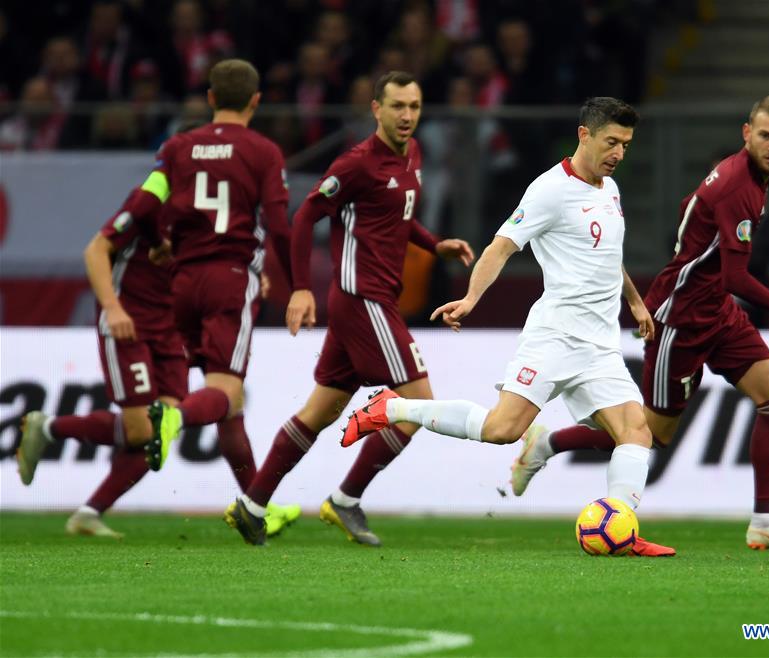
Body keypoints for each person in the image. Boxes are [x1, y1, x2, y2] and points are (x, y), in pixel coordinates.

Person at [341, 96, 672, 557]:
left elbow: (607, 258)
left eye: (626, 144)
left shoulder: (609, 189)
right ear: (585, 135)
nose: (618, 153)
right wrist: (471, 298)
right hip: (555, 336)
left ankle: (622, 530)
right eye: (611, 142)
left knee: (636, 431)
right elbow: (500, 247)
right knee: (502, 430)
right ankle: (395, 409)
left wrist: (635, 302)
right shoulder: (549, 191)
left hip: (600, 344)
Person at [508, 96, 769, 552]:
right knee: (649, 434)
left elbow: (690, 208)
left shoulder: (753, 177)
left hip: (718, 312)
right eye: (765, 135)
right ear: (747, 133)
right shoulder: (738, 185)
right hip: (680, 320)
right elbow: (736, 275)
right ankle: (546, 444)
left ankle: (765, 521)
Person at [225, 71, 474, 546]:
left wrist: (433, 243)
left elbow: (398, 217)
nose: (407, 116)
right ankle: (345, 499)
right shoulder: (357, 163)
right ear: (375, 109)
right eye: (397, 106)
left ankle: (252, 505)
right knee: (419, 404)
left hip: (369, 302)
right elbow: (305, 216)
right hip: (363, 299)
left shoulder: (413, 155)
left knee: (319, 411)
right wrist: (301, 289)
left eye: (415, 107)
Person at [16, 183, 297, 538]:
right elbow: (95, 250)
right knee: (145, 428)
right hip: (129, 321)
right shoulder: (152, 198)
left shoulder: (210, 206)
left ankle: (89, 513)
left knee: (159, 432)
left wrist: (252, 278)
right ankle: (49, 429)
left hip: (171, 325)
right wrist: (114, 309)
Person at [134, 59, 293, 497]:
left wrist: (157, 241)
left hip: (182, 282)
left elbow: (146, 206)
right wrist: (296, 284)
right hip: (230, 277)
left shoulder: (177, 148)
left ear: (210, 99)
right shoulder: (263, 151)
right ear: (256, 101)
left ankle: (256, 506)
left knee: (229, 404)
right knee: (224, 389)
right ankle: (176, 418)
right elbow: (279, 226)